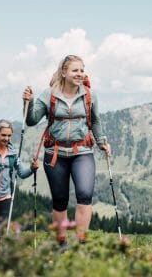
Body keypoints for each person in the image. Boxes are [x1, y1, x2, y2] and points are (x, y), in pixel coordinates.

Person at [22, 55, 111, 245]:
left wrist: (102, 142)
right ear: (64, 72)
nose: (80, 74)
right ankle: (61, 242)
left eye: (82, 70)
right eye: (75, 70)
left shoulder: (89, 95)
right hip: (55, 154)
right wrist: (27, 103)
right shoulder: (49, 94)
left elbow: (95, 121)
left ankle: (81, 241)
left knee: (85, 195)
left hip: (82, 152)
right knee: (60, 199)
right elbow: (31, 120)